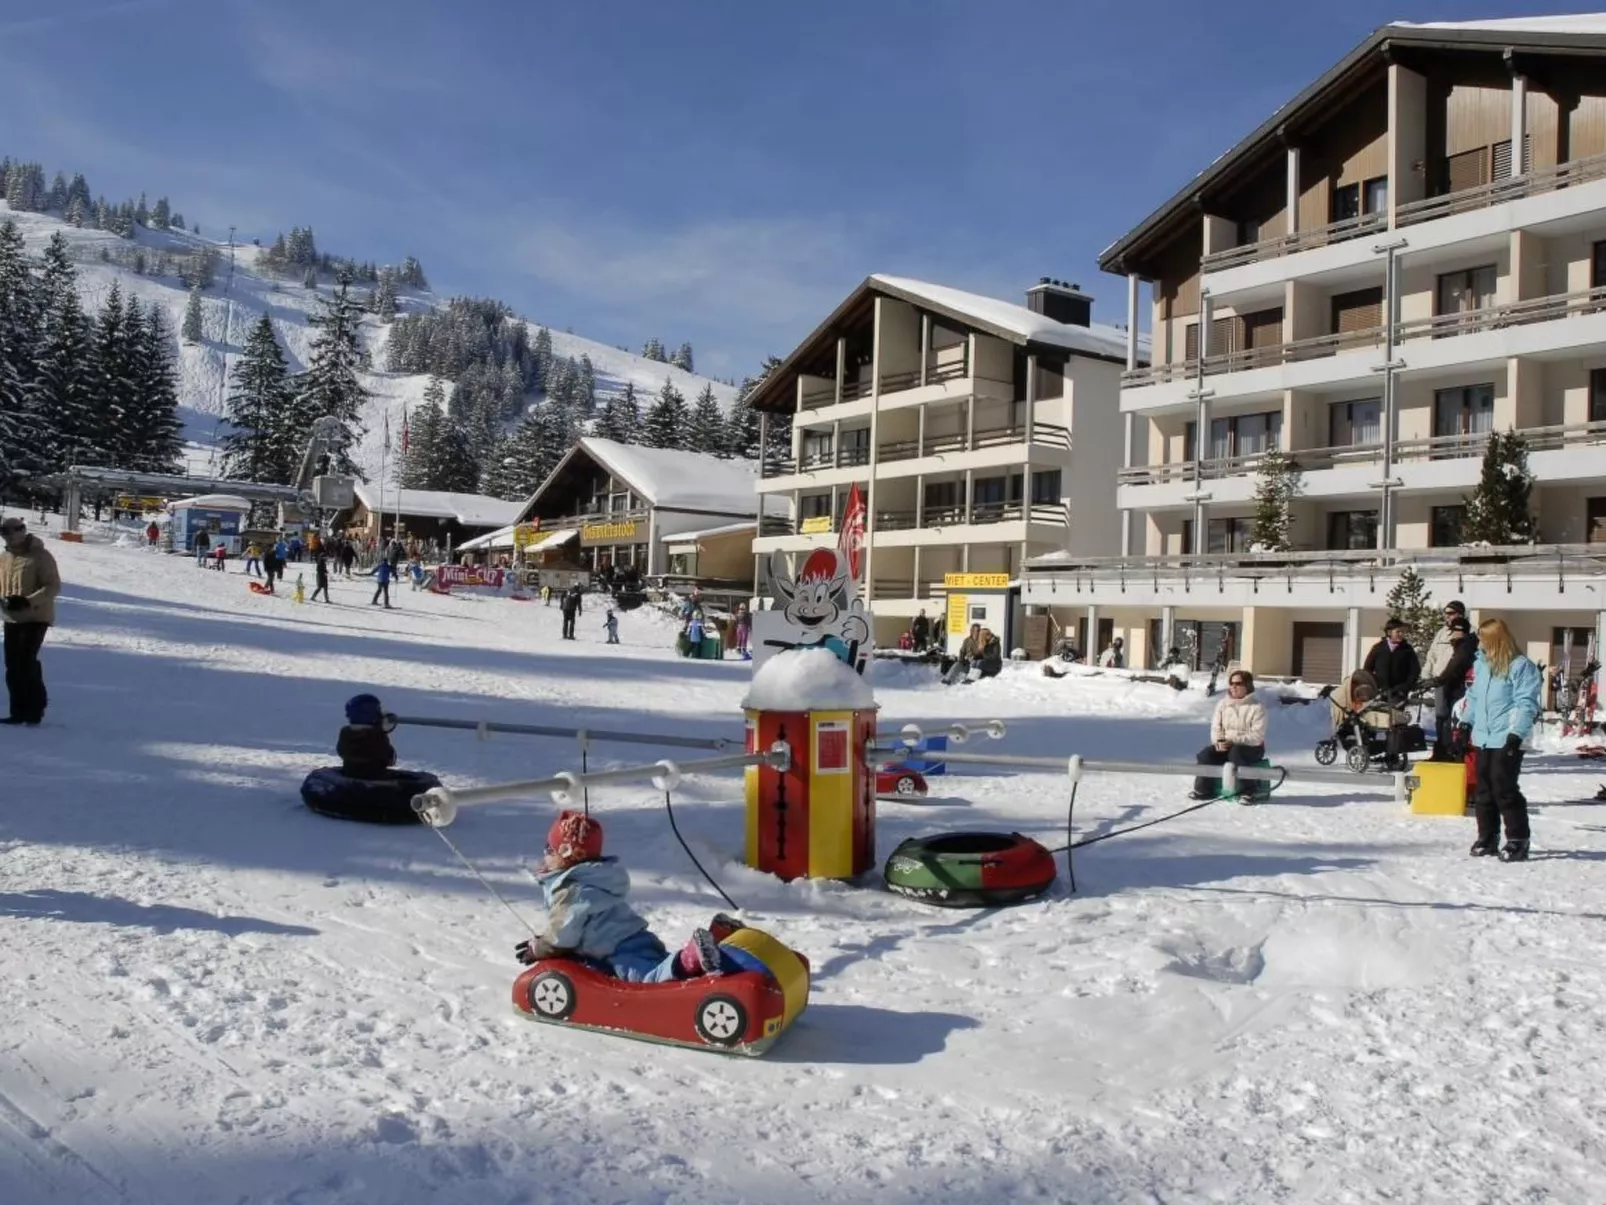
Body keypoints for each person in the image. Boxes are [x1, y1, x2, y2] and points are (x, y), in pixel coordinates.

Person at [513, 811, 741, 983]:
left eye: (549, 849)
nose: (545, 855)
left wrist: (539, 949)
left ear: (565, 855)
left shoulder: (570, 890)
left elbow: (563, 935)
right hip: (633, 937)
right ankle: (716, 939)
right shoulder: (596, 877)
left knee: (649, 981)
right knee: (657, 965)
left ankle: (691, 956)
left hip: (617, 951)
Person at [1464, 618, 1542, 861]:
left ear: (1496, 639)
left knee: (1504, 789)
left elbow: (1526, 703)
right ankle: (1488, 836)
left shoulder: (1520, 666)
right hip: (1483, 736)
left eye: (1483, 638)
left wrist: (1515, 734)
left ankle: (1518, 840)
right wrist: (1465, 722)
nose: (1479, 643)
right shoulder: (1481, 665)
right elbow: (1474, 697)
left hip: (1506, 736)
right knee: (1483, 790)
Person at [0, 516, 61, 727]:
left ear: (23, 530)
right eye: (4, 532)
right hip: (11, 617)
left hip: (36, 617)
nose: (8, 536)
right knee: (12, 665)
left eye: (13, 531)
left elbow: (53, 586)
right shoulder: (4, 557)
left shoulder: (40, 556)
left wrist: (28, 601)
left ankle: (35, 708)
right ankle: (18, 711)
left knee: (25, 662)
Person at [1191, 669, 1268, 799]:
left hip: (1251, 747)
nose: (1233, 686)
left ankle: (1250, 790)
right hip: (1226, 745)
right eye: (1231, 683)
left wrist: (1233, 741)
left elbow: (1257, 736)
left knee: (1236, 753)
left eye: (1238, 683)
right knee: (1205, 754)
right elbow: (1216, 727)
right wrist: (1218, 741)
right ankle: (1203, 790)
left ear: (1247, 686)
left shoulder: (1257, 707)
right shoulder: (1222, 704)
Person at [1429, 615, 1478, 761]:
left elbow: (1454, 667)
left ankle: (1453, 752)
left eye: (1452, 631)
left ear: (1459, 630)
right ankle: (1449, 751)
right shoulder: (1463, 644)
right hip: (1454, 688)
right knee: (1449, 721)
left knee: (1454, 722)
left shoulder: (1464, 646)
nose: (1450, 634)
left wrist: (1438, 680)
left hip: (1459, 690)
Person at [1422, 601, 1468, 747]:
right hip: (1440, 680)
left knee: (1457, 715)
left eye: (1450, 613)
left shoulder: (1468, 631)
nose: (1447, 617)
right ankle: (1441, 744)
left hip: (1459, 682)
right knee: (1441, 714)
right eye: (1445, 613)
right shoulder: (1441, 633)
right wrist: (1426, 673)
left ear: (1460, 614)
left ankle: (1457, 745)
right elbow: (1432, 655)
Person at [1363, 617, 1421, 707]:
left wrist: (1405, 687)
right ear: (1389, 632)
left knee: (1396, 719)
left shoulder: (1407, 650)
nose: (1401, 634)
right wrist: (1374, 685)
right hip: (1380, 693)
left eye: (1402, 631)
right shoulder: (1378, 648)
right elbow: (1367, 669)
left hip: (1399, 694)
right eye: (1398, 631)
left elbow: (1415, 670)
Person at [336, 694, 396, 779]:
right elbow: (390, 759)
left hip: (349, 774)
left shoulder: (345, 733)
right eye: (378, 709)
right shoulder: (376, 735)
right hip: (374, 779)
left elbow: (341, 751)